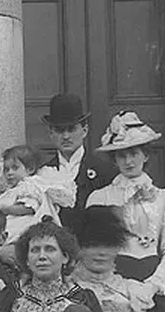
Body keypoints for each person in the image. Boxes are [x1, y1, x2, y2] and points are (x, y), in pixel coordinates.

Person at [86, 111, 165, 312]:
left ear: (146, 155)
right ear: (114, 159)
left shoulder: (162, 197)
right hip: (115, 279)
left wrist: (153, 285)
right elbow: (93, 248)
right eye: (121, 155)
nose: (128, 161)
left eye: (134, 153)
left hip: (153, 278)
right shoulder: (100, 197)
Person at [9, 221, 109, 312]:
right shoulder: (10, 298)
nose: (42, 256)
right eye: (35, 250)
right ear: (27, 260)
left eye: (50, 249)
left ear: (65, 257)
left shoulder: (85, 298)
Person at [70, 206, 153, 312]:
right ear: (80, 249)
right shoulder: (66, 287)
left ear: (117, 249)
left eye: (108, 245)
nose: (101, 253)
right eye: (93, 246)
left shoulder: (132, 290)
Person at [36, 94, 116, 232]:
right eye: (59, 130)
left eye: (71, 129)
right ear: (50, 133)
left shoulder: (105, 170)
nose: (66, 136)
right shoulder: (43, 172)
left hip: (91, 244)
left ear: (84, 131)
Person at [0, 145, 70, 258]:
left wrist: (6, 209)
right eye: (6, 169)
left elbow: (29, 207)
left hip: (24, 221)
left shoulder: (30, 186)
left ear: (30, 169)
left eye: (15, 168)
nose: (9, 173)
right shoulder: (13, 189)